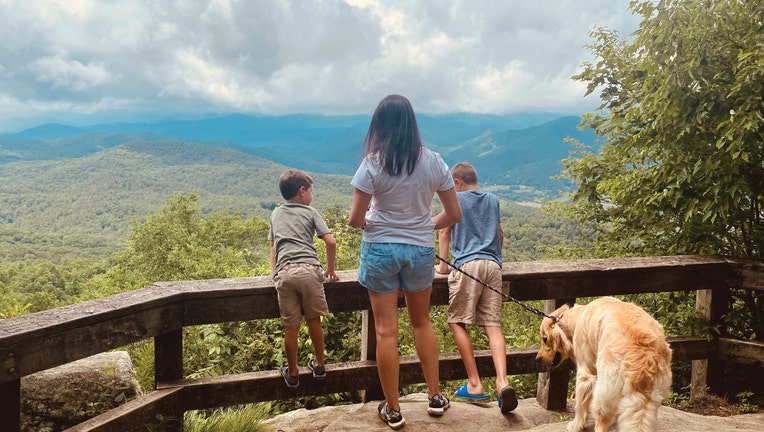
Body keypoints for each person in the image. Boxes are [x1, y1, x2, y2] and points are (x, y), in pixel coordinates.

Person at [349, 94, 462, 429]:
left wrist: (374, 220)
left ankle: (394, 409)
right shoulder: (434, 162)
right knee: (422, 322)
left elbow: (356, 220)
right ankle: (435, 397)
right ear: (412, 124)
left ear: (379, 125)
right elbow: (454, 213)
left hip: (381, 249)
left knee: (386, 331)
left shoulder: (372, 163)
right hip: (420, 251)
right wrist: (425, 225)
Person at [434, 161, 518, 414]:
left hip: (467, 266)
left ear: (457, 183)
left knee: (456, 321)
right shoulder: (492, 200)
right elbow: (500, 235)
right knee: (493, 326)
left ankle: (474, 383)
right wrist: (492, 256)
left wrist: (443, 267)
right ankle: (503, 382)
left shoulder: (456, 201)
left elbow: (444, 233)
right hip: (493, 266)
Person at [269, 168, 340, 389]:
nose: (312, 195)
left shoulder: (276, 213)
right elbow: (331, 242)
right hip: (309, 270)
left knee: (291, 327)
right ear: (302, 191)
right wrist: (330, 270)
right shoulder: (310, 212)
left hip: (284, 273)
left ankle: (292, 373)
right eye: (311, 191)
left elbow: (273, 246)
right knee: (314, 320)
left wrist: (274, 273)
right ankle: (319, 364)